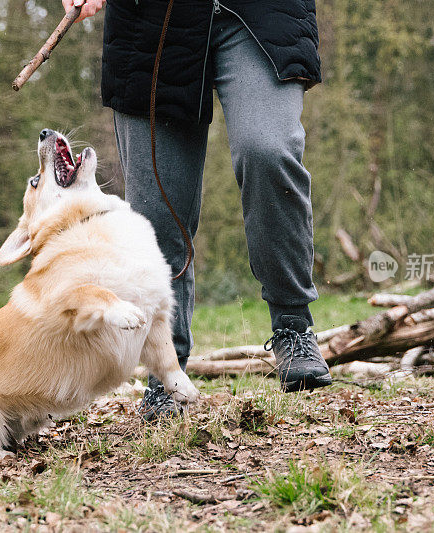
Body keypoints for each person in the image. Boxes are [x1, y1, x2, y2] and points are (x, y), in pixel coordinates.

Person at [63, 0, 332, 420]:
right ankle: (165, 373)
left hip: (259, 16)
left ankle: (293, 325)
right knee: (155, 211)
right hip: (151, 25)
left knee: (268, 150)